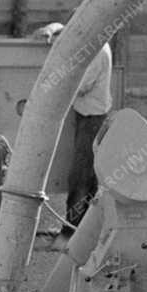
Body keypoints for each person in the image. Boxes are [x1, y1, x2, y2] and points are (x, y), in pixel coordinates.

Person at [35, 22, 113, 229]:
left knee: (80, 178)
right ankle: (83, 229)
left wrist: (53, 80)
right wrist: (50, 30)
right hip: (88, 116)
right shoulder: (95, 42)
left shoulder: (97, 52)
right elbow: (63, 26)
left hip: (93, 120)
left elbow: (79, 86)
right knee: (88, 177)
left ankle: (71, 231)